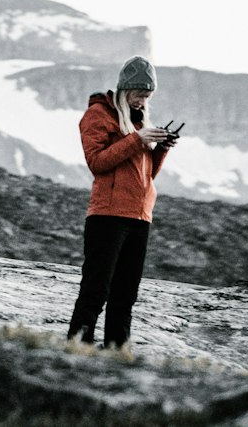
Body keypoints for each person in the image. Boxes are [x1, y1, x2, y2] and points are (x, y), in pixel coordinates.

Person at [66, 54, 178, 351]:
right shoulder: (98, 116)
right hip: (108, 215)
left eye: (148, 96)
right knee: (96, 289)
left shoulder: (138, 121)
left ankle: (117, 352)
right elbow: (97, 162)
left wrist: (161, 149)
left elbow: (146, 174)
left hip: (139, 216)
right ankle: (77, 348)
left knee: (125, 293)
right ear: (126, 90)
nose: (143, 101)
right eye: (140, 94)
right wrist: (137, 140)